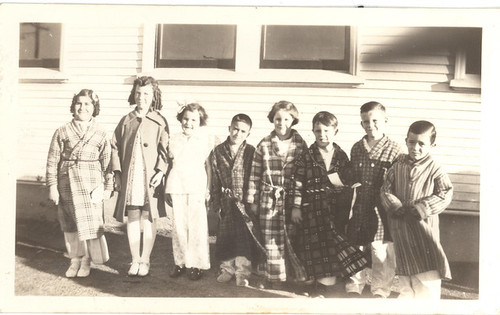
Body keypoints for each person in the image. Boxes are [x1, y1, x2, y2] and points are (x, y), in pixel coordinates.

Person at [291, 111, 368, 296]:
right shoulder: (306, 155)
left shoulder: (341, 156)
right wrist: (296, 207)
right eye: (318, 130)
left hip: (335, 209)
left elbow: (348, 179)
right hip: (312, 208)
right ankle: (316, 285)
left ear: (335, 131)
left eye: (326, 130)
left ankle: (330, 284)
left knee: (332, 246)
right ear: (313, 131)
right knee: (314, 247)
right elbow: (298, 182)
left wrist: (346, 187)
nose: (322, 134)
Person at [380, 120, 453, 299]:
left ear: (432, 145)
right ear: (406, 141)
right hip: (401, 227)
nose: (416, 148)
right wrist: (394, 205)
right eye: (411, 142)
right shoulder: (397, 166)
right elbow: (385, 189)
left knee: (427, 276)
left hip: (423, 227)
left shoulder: (435, 169)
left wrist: (423, 207)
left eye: (422, 144)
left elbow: (445, 192)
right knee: (406, 276)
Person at [46, 89, 113, 278]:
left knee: (90, 224)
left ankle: (87, 260)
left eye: (87, 104)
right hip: (67, 181)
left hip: (91, 183)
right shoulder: (62, 131)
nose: (82, 107)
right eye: (79, 103)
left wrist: (107, 187)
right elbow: (52, 161)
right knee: (70, 224)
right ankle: (74, 259)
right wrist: (52, 186)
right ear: (73, 106)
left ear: (94, 108)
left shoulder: (100, 132)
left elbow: (108, 163)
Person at [111, 76, 169, 277]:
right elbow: (115, 147)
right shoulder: (126, 120)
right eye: (138, 93)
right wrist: (117, 173)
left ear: (154, 96)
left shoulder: (159, 121)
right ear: (133, 94)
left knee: (149, 217)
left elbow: (165, 149)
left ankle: (146, 259)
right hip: (132, 176)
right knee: (133, 216)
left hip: (150, 177)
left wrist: (161, 171)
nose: (141, 98)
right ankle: (135, 259)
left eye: (146, 94)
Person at [246, 100, 308, 289]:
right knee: (271, 240)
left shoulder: (300, 145)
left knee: (291, 238)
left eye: (286, 119)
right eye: (277, 119)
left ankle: (294, 278)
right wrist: (253, 200)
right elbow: (255, 173)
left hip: (291, 200)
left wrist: (297, 206)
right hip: (268, 199)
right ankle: (274, 279)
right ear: (272, 120)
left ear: (293, 120)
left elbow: (302, 177)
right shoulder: (264, 144)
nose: (281, 123)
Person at [345, 101, 403, 298]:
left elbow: (397, 182)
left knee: (381, 251)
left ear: (385, 121)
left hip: (381, 208)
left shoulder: (395, 150)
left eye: (375, 120)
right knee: (357, 246)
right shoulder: (356, 148)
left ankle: (380, 288)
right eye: (366, 121)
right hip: (360, 205)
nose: (371, 125)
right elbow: (352, 176)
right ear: (362, 123)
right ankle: (355, 284)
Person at [209, 114, 265, 287]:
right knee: (226, 237)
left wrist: (253, 200)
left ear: (248, 134)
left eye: (242, 131)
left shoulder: (250, 152)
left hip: (244, 203)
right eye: (235, 129)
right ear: (229, 128)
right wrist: (216, 202)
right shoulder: (218, 151)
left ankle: (243, 272)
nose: (238, 133)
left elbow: (256, 177)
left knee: (243, 239)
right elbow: (216, 179)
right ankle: (227, 269)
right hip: (226, 203)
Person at [165, 103, 219, 281]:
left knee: (197, 227)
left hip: (197, 185)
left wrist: (208, 189)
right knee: (179, 226)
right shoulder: (173, 139)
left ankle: (196, 264)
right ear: (181, 119)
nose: (189, 123)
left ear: (200, 121)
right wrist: (167, 187)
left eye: (194, 120)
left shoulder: (206, 139)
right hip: (178, 185)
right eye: (186, 119)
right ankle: (180, 262)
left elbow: (209, 167)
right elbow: (168, 165)